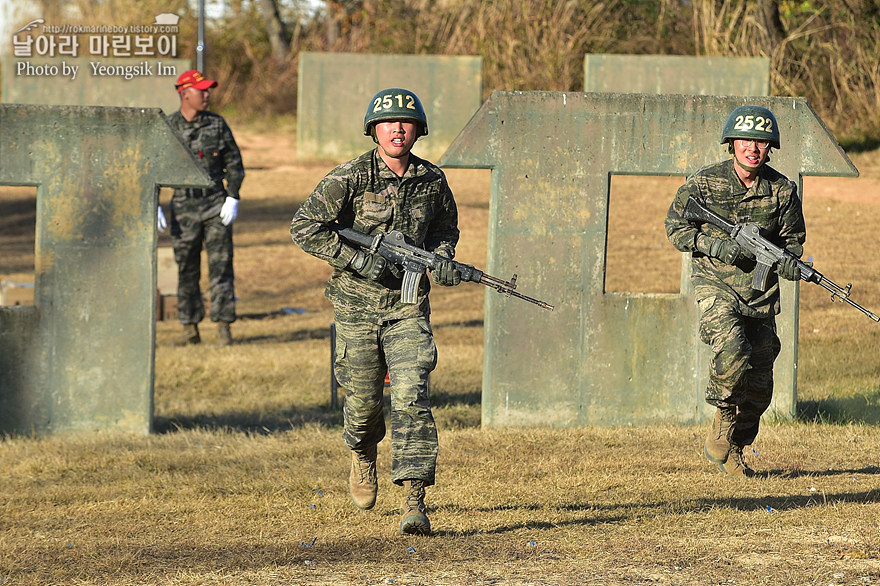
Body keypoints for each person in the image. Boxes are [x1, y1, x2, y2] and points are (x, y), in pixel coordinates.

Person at [290, 88, 461, 534]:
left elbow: (445, 230)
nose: (397, 129)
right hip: (356, 307)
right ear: (374, 130)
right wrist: (357, 259)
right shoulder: (348, 177)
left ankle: (414, 499)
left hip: (407, 307)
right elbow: (305, 226)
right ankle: (363, 454)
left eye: (406, 122)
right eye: (388, 123)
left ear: (418, 130)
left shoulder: (432, 180)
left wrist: (442, 258)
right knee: (364, 404)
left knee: (411, 395)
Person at [665, 105, 806, 477]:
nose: (753, 149)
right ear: (732, 143)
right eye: (746, 141)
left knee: (760, 387)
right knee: (732, 348)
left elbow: (792, 243)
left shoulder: (782, 191)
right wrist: (717, 246)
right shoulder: (704, 184)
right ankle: (723, 416)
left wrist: (790, 263)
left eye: (761, 142)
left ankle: (736, 450)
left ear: (770, 147)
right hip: (715, 284)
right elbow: (676, 228)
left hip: (759, 296)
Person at [158, 70, 245, 346]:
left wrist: (233, 196)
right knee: (186, 268)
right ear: (185, 93)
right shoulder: (168, 126)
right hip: (183, 207)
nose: (207, 95)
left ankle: (223, 327)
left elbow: (234, 163)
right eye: (201, 91)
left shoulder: (217, 125)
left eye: (208, 90)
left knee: (220, 266)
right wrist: (154, 203)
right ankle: (190, 328)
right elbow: (154, 166)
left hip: (215, 205)